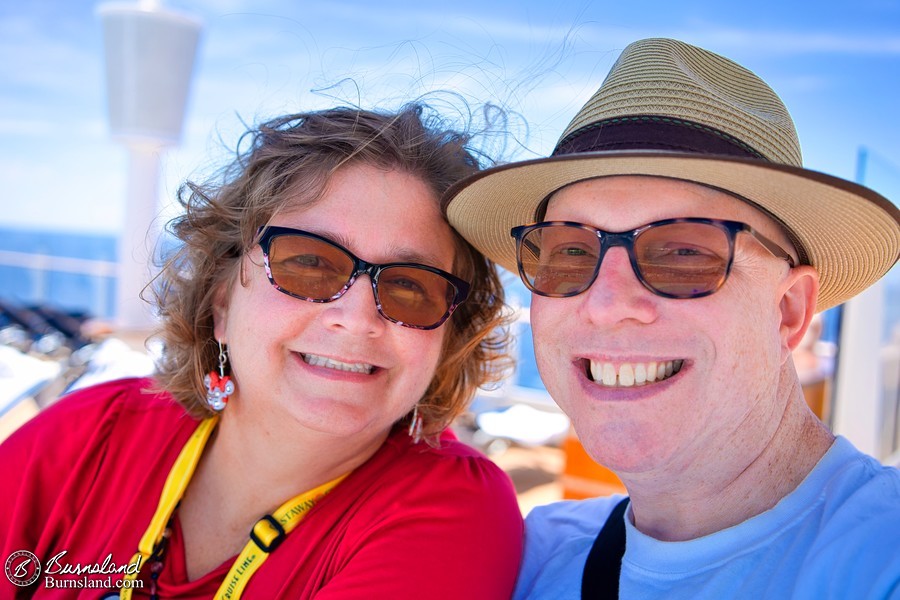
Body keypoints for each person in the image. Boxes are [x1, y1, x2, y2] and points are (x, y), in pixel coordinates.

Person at [0, 104, 524, 598]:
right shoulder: (93, 434)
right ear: (221, 300)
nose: (357, 318)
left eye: (411, 287)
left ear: (448, 340)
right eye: (309, 263)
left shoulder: (450, 510)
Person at [444, 38, 900, 599]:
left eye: (684, 253)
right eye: (569, 253)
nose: (607, 303)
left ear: (788, 310)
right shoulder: (534, 556)